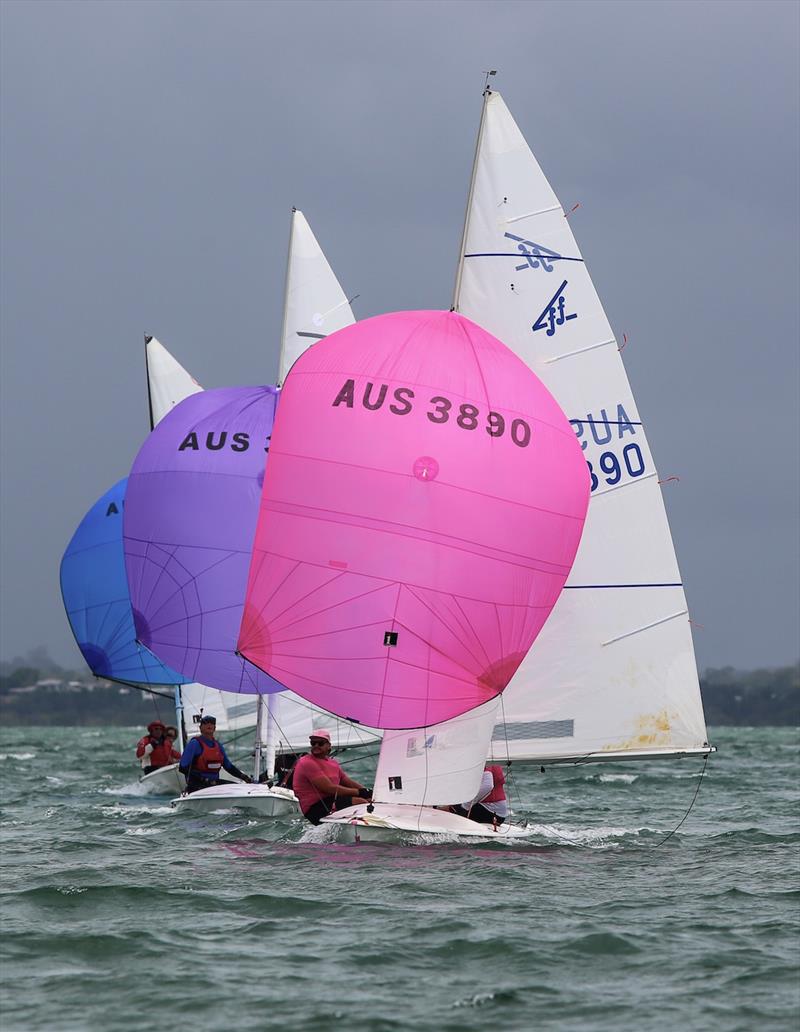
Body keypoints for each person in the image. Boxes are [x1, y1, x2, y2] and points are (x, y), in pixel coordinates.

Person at [292, 730, 371, 825]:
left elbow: (347, 781)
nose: (316, 745)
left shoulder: (333, 763)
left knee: (368, 800)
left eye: (320, 743)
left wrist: (367, 791)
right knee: (360, 802)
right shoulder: (306, 762)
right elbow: (328, 788)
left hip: (331, 801)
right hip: (314, 809)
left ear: (329, 745)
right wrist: (359, 792)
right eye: (313, 743)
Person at [178, 715, 252, 793]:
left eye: (212, 723)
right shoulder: (195, 743)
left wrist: (244, 777)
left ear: (215, 728)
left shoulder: (218, 746)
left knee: (239, 789)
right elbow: (182, 767)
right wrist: (203, 779)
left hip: (213, 784)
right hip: (197, 786)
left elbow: (229, 766)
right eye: (205, 723)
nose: (209, 725)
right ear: (200, 728)